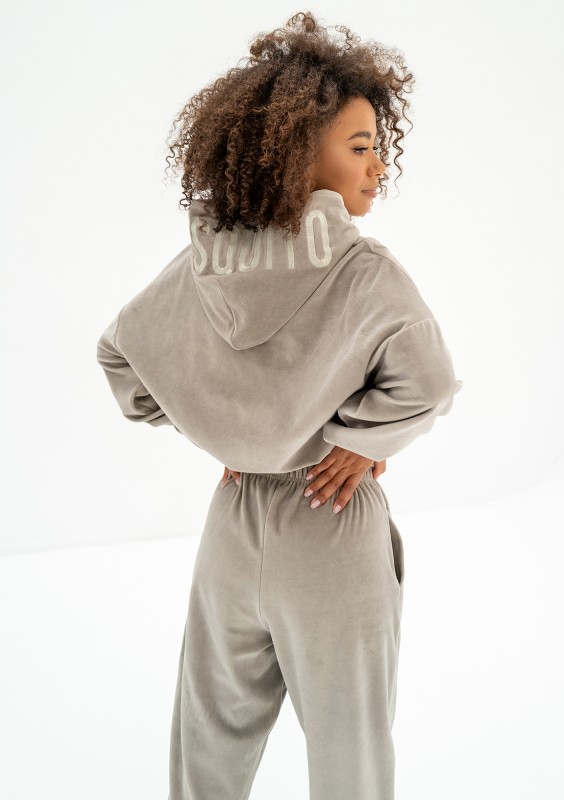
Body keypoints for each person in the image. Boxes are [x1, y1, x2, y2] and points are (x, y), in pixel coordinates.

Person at [96, 11, 463, 800]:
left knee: (208, 745)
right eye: (359, 147)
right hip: (331, 521)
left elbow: (120, 354)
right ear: (300, 153)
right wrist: (360, 441)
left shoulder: (202, 262)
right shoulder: (363, 270)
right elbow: (428, 380)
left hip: (231, 526)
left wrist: (222, 426)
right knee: (350, 749)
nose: (378, 168)